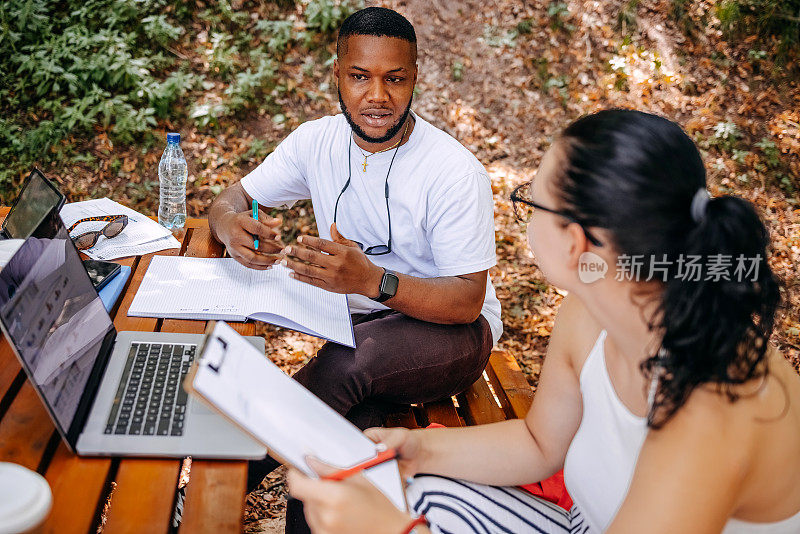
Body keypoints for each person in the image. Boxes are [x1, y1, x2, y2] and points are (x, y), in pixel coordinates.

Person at [286, 109, 800, 534]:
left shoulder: (711, 412)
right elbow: (539, 444)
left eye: (531, 201)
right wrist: (418, 449)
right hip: (583, 523)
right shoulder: (590, 310)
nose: (525, 217)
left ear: (575, 242)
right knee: (390, 486)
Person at [207, 6, 502, 527]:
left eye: (395, 79)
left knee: (346, 366)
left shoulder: (454, 172)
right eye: (360, 76)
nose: (378, 97)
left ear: (414, 78)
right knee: (344, 440)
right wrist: (232, 228)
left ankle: (220, 488)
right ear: (337, 74)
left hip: (456, 333)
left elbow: (466, 301)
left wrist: (371, 280)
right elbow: (232, 198)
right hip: (365, 329)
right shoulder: (315, 142)